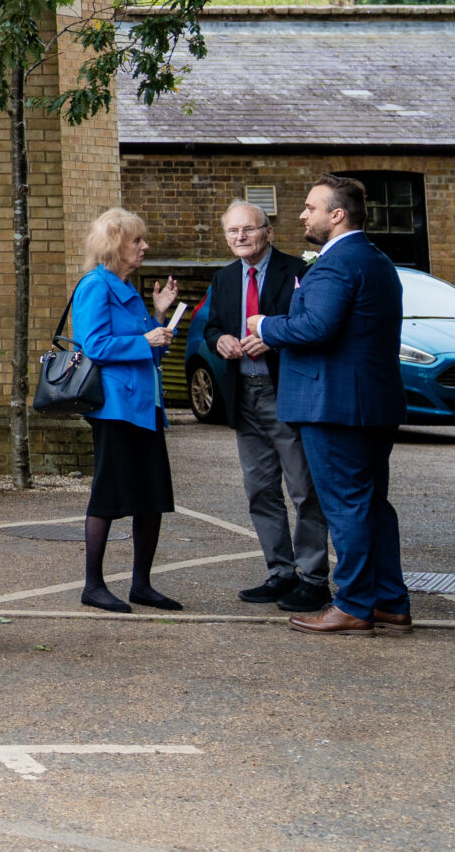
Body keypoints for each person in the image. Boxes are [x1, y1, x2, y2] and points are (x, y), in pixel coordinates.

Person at [248, 175, 410, 634]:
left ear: (337, 215)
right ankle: (389, 601)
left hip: (336, 406)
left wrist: (265, 326)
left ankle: (356, 604)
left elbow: (316, 327)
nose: (302, 215)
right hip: (370, 404)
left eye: (310, 207)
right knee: (371, 505)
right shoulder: (375, 259)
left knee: (347, 508)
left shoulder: (338, 264)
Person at [203, 200, 329, 612]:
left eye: (249, 229)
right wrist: (219, 339)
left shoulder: (299, 272)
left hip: (286, 393)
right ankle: (281, 573)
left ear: (268, 232)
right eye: (232, 232)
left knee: (303, 489)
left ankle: (313, 579)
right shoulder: (222, 279)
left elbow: (313, 327)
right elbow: (212, 326)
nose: (240, 237)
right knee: (260, 490)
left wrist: (275, 338)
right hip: (243, 395)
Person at [69, 207, 182, 613]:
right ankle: (93, 585)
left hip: (144, 406)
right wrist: (147, 338)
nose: (144, 246)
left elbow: (146, 347)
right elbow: (93, 345)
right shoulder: (95, 286)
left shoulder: (127, 288)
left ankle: (142, 585)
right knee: (108, 496)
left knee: (152, 496)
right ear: (114, 244)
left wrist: (160, 316)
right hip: (115, 409)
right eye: (137, 240)